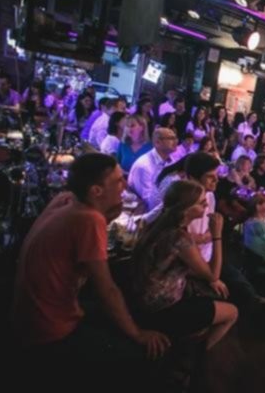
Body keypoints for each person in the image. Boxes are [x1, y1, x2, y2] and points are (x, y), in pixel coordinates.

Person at [12, 154, 169, 388]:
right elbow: (107, 289)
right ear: (96, 191)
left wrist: (106, 217)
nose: (125, 184)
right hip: (49, 330)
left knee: (123, 310)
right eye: (118, 181)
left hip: (27, 315)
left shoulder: (65, 199)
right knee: (144, 350)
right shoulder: (88, 219)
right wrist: (138, 334)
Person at [131, 180, 237, 351]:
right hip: (162, 307)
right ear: (186, 209)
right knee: (232, 312)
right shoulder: (179, 237)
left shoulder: (158, 225)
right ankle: (193, 355)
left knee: (211, 293)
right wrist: (217, 235)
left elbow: (167, 266)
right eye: (202, 203)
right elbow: (213, 274)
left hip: (145, 299)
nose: (207, 205)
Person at [127, 128, 178, 212]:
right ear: (157, 142)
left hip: (165, 209)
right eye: (171, 138)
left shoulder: (172, 161)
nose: (176, 141)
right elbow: (149, 203)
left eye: (175, 138)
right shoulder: (143, 166)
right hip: (144, 213)